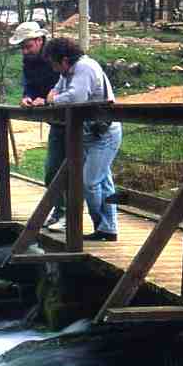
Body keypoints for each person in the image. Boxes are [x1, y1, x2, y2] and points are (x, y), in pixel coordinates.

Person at [43, 37, 122, 241]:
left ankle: (103, 226)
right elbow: (56, 91)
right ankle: (107, 228)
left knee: (90, 181)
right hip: (91, 132)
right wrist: (52, 98)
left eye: (53, 62)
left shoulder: (84, 68)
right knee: (102, 180)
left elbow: (75, 97)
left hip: (104, 132)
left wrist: (52, 100)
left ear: (65, 59)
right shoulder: (68, 72)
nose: (52, 68)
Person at [8, 21, 65, 230]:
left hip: (75, 118)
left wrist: (49, 99)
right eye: (21, 47)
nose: (24, 51)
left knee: (87, 175)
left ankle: (101, 224)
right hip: (57, 121)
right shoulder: (29, 61)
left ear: (40, 40)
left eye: (27, 46)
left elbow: (66, 84)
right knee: (52, 170)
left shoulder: (57, 56)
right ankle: (60, 213)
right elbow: (30, 85)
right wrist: (28, 98)